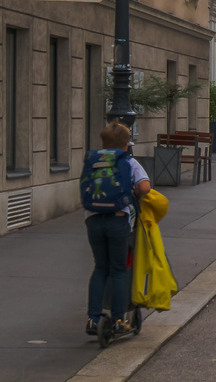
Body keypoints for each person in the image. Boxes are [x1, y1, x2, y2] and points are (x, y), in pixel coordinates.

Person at [84, 122, 151, 338]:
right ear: (126, 145)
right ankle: (119, 319)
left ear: (103, 143)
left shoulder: (93, 160)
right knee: (119, 270)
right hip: (119, 219)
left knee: (100, 268)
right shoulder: (129, 162)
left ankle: (93, 319)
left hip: (93, 219)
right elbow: (144, 187)